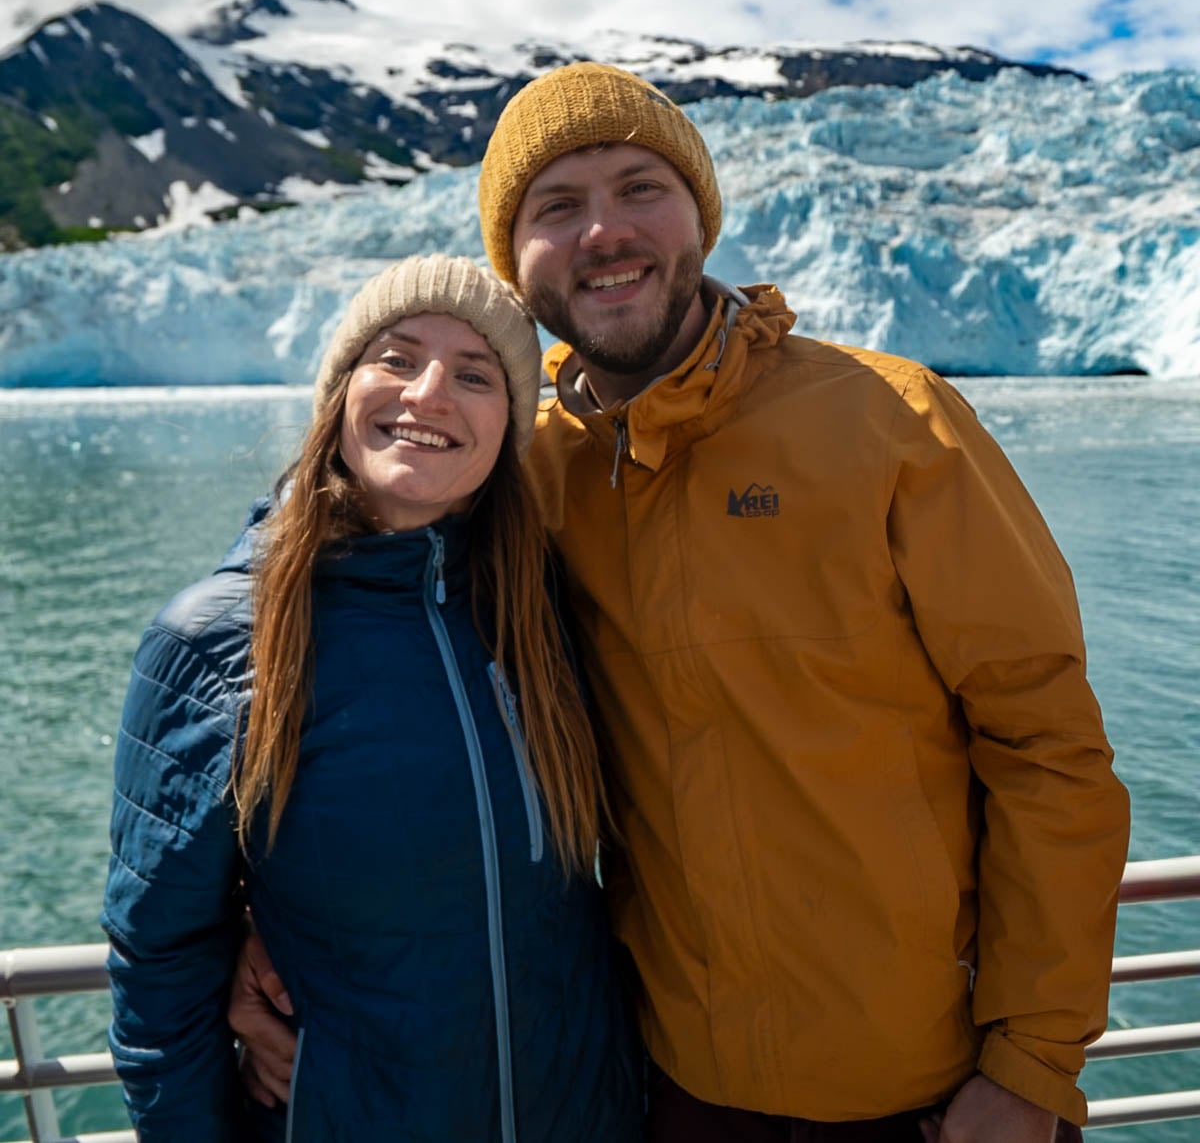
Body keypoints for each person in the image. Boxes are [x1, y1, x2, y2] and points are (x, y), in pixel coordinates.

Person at [233, 65, 1131, 1142]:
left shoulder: (892, 424)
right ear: (514, 262)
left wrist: (1032, 1065)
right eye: (556, 207)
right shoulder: (528, 473)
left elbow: (1047, 749)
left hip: (936, 1099)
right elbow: (372, 638)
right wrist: (265, 912)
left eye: (639, 188)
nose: (603, 231)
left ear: (699, 214)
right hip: (674, 1092)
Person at [101, 253, 643, 1143]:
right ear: (340, 392)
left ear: (510, 424)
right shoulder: (217, 639)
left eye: (475, 375)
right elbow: (159, 963)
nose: (429, 394)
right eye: (395, 358)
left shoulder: (538, 610)